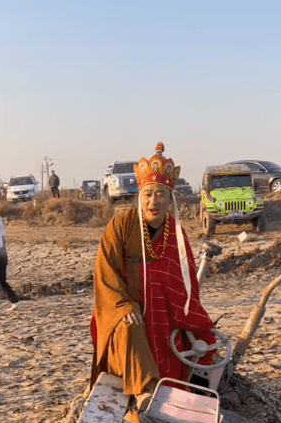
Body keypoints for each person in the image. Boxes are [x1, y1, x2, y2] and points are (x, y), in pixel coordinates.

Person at [91, 142, 215, 409]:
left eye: (160, 194)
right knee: (129, 326)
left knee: (191, 339)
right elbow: (105, 272)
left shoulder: (177, 234)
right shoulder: (121, 225)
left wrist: (184, 314)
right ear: (139, 195)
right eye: (147, 194)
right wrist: (122, 305)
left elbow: (186, 282)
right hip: (124, 308)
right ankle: (147, 390)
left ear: (170, 198)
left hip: (164, 311)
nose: (153, 201)